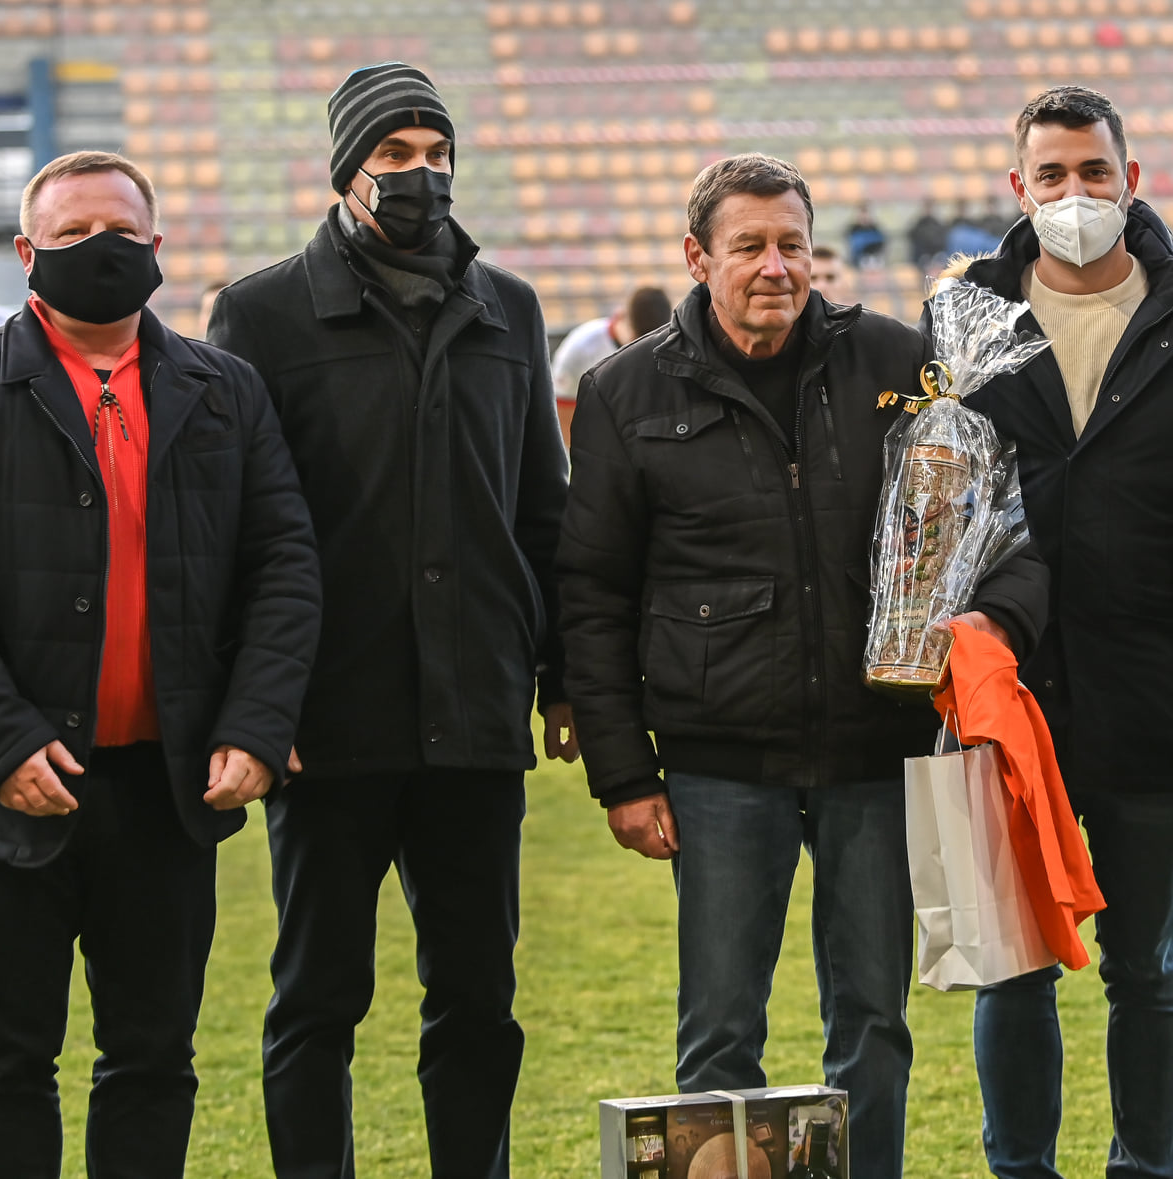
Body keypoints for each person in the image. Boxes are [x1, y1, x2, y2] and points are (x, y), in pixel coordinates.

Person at [556, 152, 1049, 1179]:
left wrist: (991, 623)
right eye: (748, 246)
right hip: (717, 760)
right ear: (697, 257)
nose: (775, 266)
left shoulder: (900, 362)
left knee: (872, 1020)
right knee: (719, 1031)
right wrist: (623, 773)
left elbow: (998, 526)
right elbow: (593, 595)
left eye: (792, 244)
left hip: (875, 749)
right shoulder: (623, 390)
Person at [0, 150, 322, 1179]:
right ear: (26, 253)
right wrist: (2, 740)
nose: (97, 247)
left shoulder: (225, 389)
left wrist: (257, 722)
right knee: (5, 1063)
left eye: (118, 230)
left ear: (155, 247)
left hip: (167, 787)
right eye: (71, 232)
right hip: (6, 789)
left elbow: (284, 565)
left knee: (153, 1062)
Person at [206, 62, 573, 1179]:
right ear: (346, 171)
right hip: (328, 718)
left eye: (437, 152)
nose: (423, 173)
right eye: (396, 154)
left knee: (478, 995)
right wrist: (259, 707)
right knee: (318, 997)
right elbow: (229, 531)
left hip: (476, 713)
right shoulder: (260, 313)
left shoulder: (509, 307)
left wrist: (559, 675)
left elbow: (541, 508)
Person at [943, 85, 1173, 1179]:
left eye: (1093, 171)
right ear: (1017, 187)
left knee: (1150, 963)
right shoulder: (964, 316)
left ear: (1131, 178)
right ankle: (1020, 1169)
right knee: (1011, 963)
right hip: (1003, 686)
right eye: (1051, 175)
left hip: (1158, 680)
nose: (1073, 192)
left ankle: (1146, 1168)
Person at [551, 284, 673, 414]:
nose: (642, 349)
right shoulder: (580, 347)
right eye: (637, 340)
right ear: (620, 316)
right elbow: (562, 412)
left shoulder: (667, 350)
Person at [908, 197, 949, 273]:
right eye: (927, 207)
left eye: (930, 207)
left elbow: (942, 243)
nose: (929, 210)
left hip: (936, 256)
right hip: (922, 257)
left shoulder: (939, 225)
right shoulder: (918, 226)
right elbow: (915, 243)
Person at [845, 200, 887, 269]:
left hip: (875, 264)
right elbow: (850, 252)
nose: (864, 217)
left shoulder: (878, 231)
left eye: (867, 213)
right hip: (857, 265)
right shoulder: (851, 231)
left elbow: (882, 251)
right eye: (862, 213)